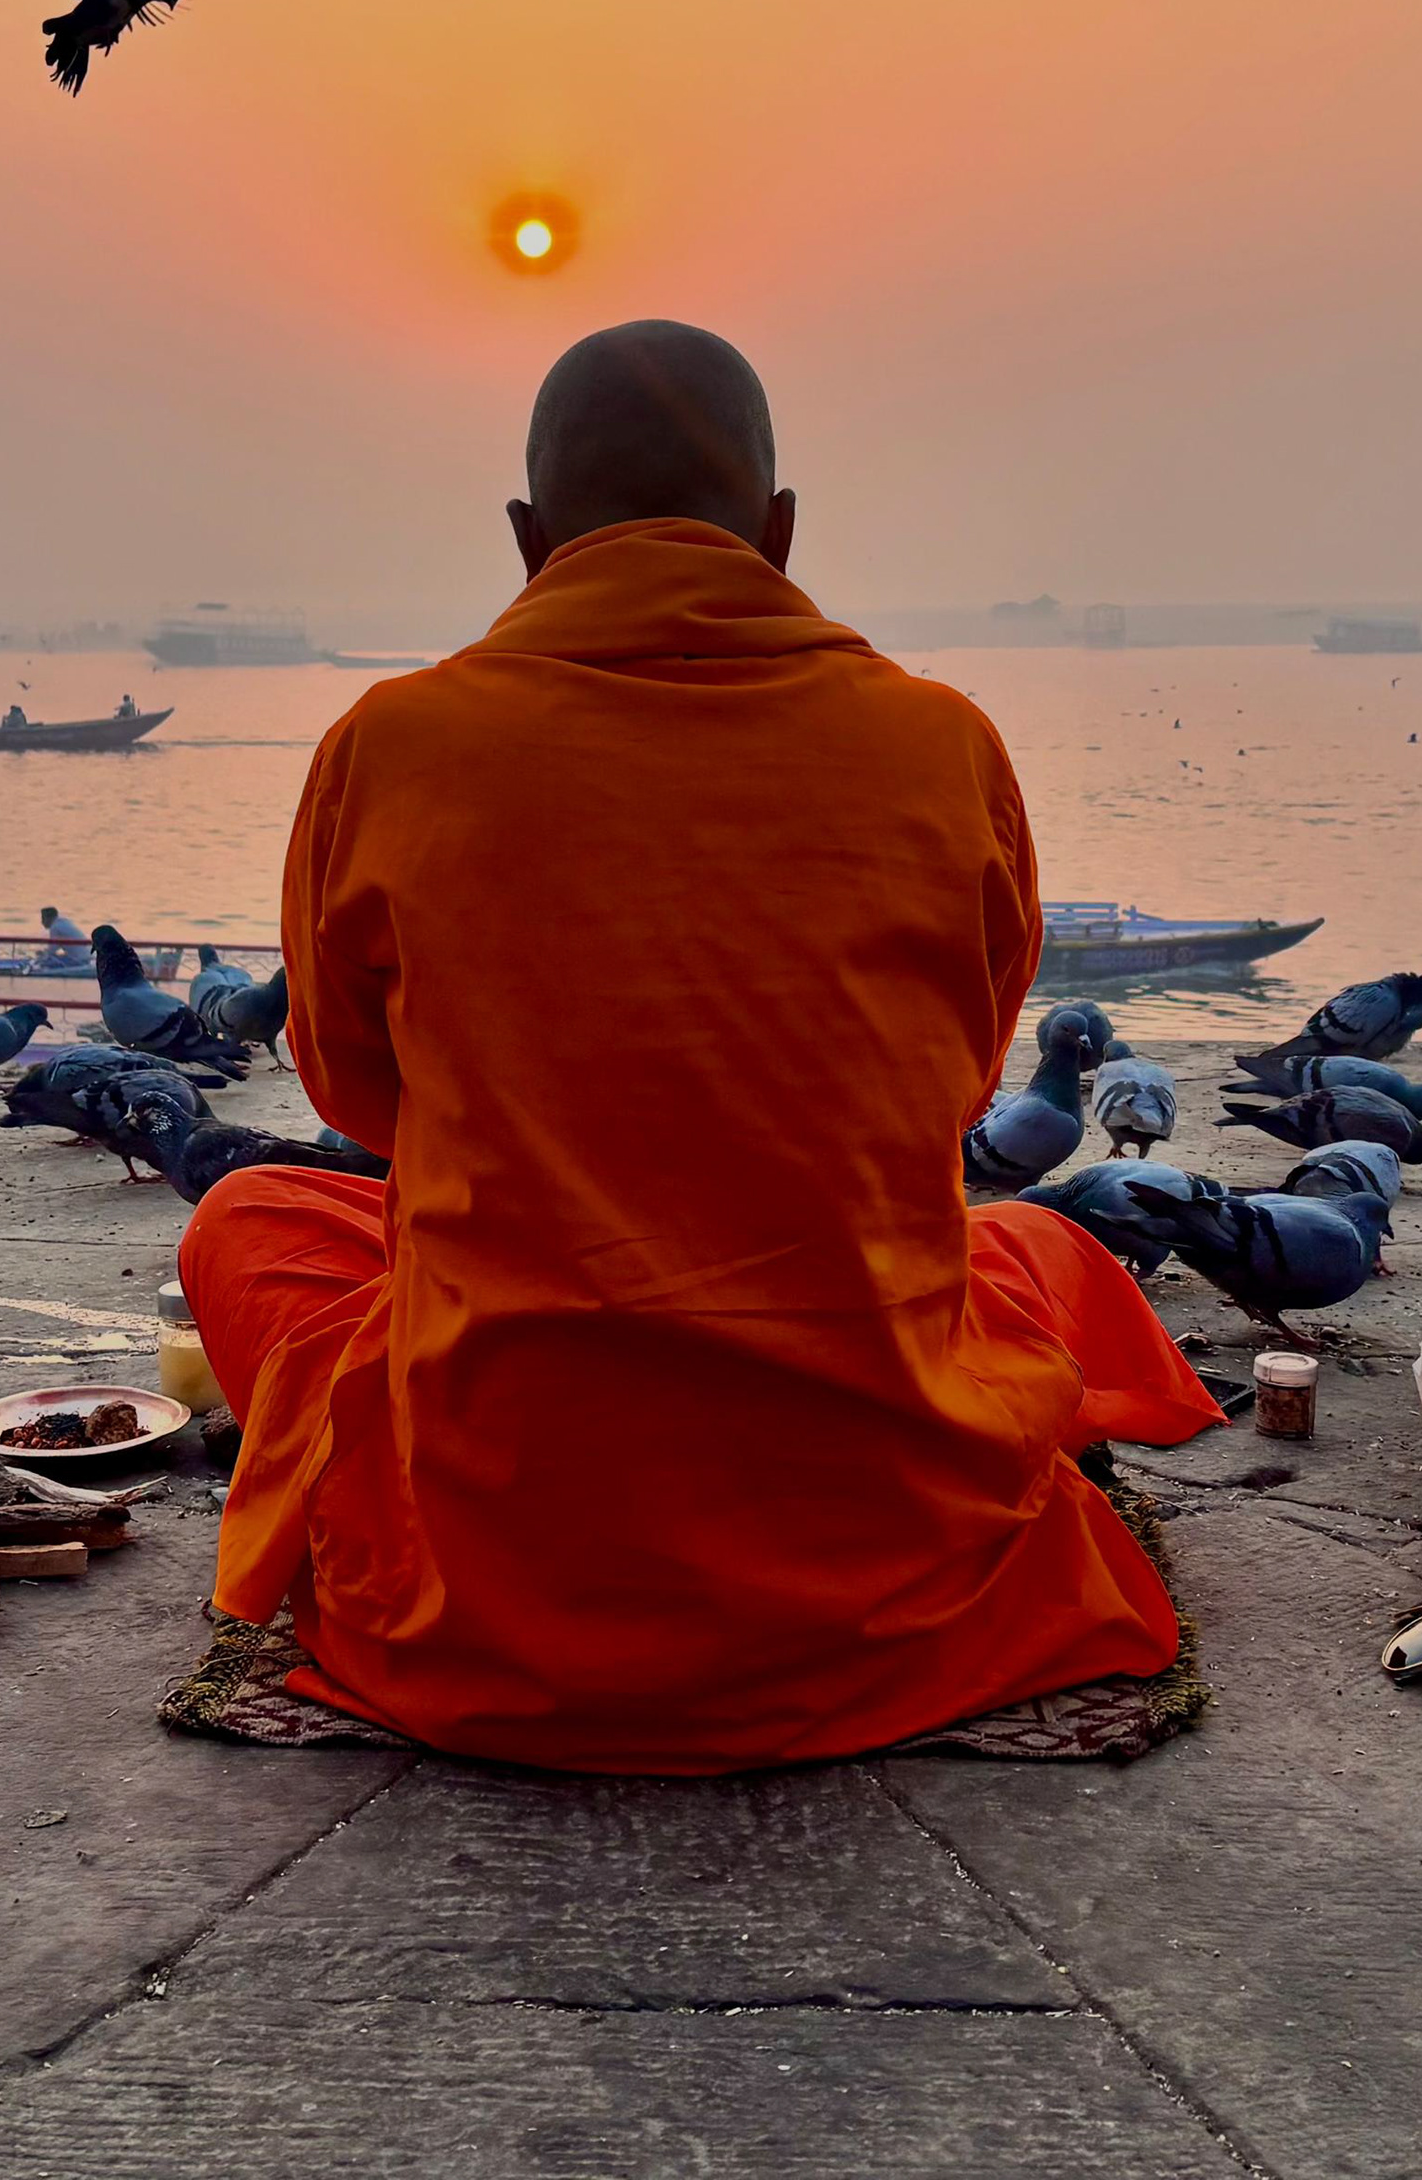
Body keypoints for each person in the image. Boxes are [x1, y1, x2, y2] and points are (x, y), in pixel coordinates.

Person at [179, 321, 1219, 1775]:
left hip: (495, 1572)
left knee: (249, 1221)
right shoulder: (944, 746)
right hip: (885, 1562)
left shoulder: (387, 746)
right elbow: (960, 1082)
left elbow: (359, 1098)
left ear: (527, 540)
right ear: (779, 533)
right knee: (1035, 1253)